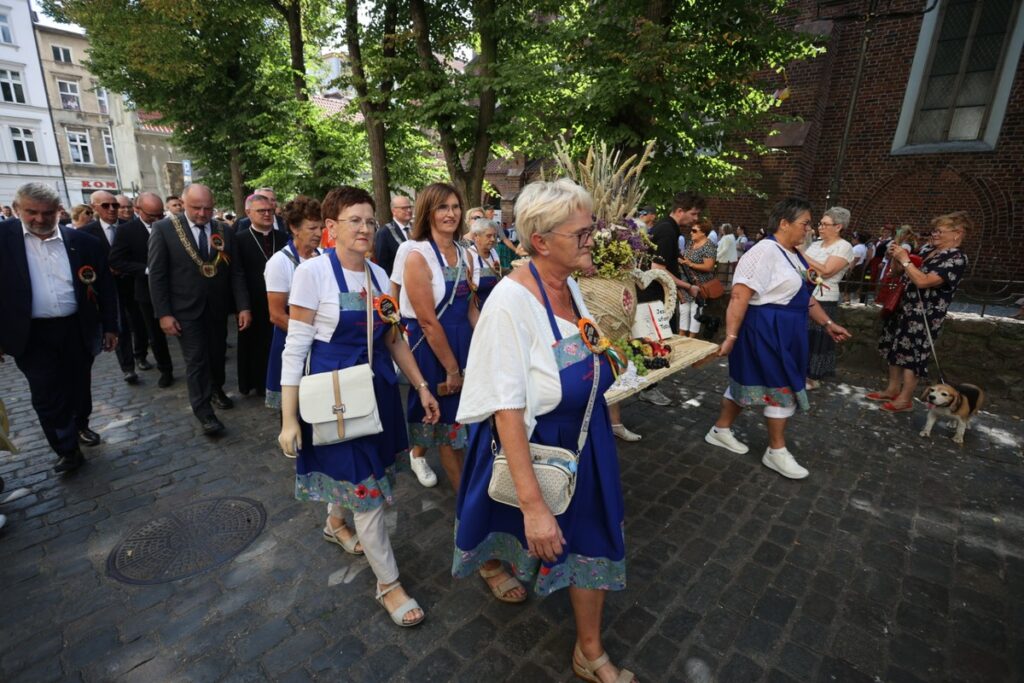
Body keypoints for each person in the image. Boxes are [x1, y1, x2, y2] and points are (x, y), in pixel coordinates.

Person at [453, 178, 635, 683]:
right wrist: (534, 507)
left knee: (593, 540)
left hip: (587, 440)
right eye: (580, 233)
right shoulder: (509, 305)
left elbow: (587, 347)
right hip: (541, 448)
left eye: (590, 229)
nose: (591, 239)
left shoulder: (570, 286)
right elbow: (506, 410)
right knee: (547, 532)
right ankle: (502, 569)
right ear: (541, 241)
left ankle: (589, 651)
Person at [277, 185, 439, 628]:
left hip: (378, 392)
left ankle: (334, 523)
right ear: (331, 228)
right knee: (367, 492)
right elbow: (295, 349)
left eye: (370, 220)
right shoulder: (312, 274)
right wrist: (289, 418)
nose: (365, 228)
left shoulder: (378, 274)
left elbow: (393, 338)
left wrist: (421, 386)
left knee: (361, 477)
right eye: (355, 220)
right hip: (337, 397)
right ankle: (388, 583)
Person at [704, 198, 851, 479]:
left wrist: (828, 322)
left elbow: (802, 298)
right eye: (805, 223)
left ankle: (720, 430)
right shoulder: (764, 251)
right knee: (780, 383)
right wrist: (732, 335)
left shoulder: (792, 253)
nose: (809, 229)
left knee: (750, 380)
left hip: (787, 328)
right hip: (765, 328)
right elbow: (739, 295)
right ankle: (776, 450)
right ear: (784, 223)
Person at [0, 182, 119, 471]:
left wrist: (110, 326)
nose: (40, 219)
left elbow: (105, 285)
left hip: (76, 328)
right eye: (31, 212)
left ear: (59, 212)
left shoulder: (84, 243)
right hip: (30, 334)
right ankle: (66, 448)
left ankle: (80, 424)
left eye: (47, 213)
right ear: (17, 210)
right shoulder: (2, 240)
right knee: (46, 393)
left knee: (79, 387)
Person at [391, 183, 478, 490]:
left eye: (455, 207)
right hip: (433, 348)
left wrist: (486, 347)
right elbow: (427, 321)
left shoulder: (465, 255)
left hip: (462, 342)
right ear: (428, 211)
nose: (451, 213)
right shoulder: (417, 255)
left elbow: (471, 311)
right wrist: (452, 369)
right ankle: (464, 503)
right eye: (443, 207)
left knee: (465, 421)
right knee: (447, 428)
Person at [148, 183, 252, 435]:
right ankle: (204, 412)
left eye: (208, 208)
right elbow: (157, 275)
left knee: (217, 354)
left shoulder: (222, 231)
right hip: (184, 309)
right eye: (197, 208)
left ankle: (216, 389)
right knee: (196, 360)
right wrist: (164, 313)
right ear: (183, 204)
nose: (203, 213)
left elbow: (235, 272)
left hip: (217, 308)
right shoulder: (164, 229)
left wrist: (243, 306)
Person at [871, 212, 970, 412]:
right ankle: (892, 389)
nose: (934, 234)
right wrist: (897, 259)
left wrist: (905, 260)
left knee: (912, 356)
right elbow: (902, 273)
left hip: (924, 315)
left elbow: (924, 281)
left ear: (957, 234)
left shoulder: (957, 258)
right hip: (903, 307)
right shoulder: (927, 249)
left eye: (939, 231)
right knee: (895, 349)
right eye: (934, 230)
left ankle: (905, 399)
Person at [640, 191, 705, 406]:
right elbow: (658, 269)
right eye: (693, 214)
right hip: (653, 299)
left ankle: (647, 384)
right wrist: (688, 287)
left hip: (652, 295)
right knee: (655, 342)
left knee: (652, 341)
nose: (696, 219)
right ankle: (648, 387)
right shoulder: (668, 231)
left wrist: (677, 292)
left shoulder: (664, 227)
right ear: (680, 211)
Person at [110, 193, 175, 388]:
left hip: (176, 288)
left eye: (160, 215)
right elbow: (115, 260)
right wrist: (145, 269)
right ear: (138, 211)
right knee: (155, 334)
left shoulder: (172, 227)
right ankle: (166, 370)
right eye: (151, 215)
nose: (156, 219)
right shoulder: (126, 231)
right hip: (146, 291)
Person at [82, 190, 146, 385]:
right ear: (94, 208)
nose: (112, 209)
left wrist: (126, 267)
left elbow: (141, 256)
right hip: (108, 290)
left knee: (140, 323)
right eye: (106, 205)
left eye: (115, 205)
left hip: (133, 284)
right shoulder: (86, 234)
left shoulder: (132, 228)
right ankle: (128, 367)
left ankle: (141, 355)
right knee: (120, 327)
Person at [265, 195, 323, 408]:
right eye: (312, 228)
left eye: (320, 227)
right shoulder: (279, 263)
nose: (319, 233)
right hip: (293, 341)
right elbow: (277, 314)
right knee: (296, 409)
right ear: (294, 228)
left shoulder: (324, 256)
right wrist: (314, 337)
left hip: (321, 343)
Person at [234, 194, 288, 397]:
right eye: (261, 211)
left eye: (269, 211)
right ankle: (257, 382)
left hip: (280, 300)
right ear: (248, 213)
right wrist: (242, 306)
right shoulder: (239, 239)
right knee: (255, 345)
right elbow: (237, 274)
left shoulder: (282, 238)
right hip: (253, 301)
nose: (267, 214)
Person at [799, 207, 854, 390]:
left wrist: (801, 254)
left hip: (824, 298)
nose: (820, 227)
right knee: (802, 336)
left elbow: (827, 270)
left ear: (838, 227)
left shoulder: (844, 247)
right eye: (820, 223)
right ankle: (799, 371)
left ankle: (812, 377)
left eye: (825, 224)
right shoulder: (815, 245)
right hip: (805, 294)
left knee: (816, 338)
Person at [677, 221, 716, 339]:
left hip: (700, 284)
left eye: (694, 231)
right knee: (684, 310)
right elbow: (687, 259)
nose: (691, 233)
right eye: (691, 230)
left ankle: (692, 337)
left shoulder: (709, 246)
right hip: (686, 281)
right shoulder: (690, 243)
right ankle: (682, 335)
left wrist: (690, 264)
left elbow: (709, 267)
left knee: (696, 310)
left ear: (703, 233)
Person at [373, 195, 414, 277]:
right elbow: (382, 264)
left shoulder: (418, 229)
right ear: (393, 211)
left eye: (410, 207)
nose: (409, 210)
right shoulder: (384, 233)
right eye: (404, 208)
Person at [467, 218, 501, 307]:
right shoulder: (469, 255)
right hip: (477, 306)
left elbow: (498, 274)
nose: (493, 239)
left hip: (493, 304)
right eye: (488, 236)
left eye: (494, 235)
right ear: (476, 236)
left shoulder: (494, 253)